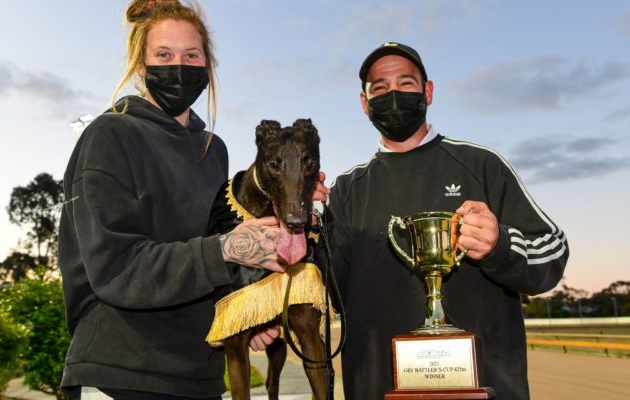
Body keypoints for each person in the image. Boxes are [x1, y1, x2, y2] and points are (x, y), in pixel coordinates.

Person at [58, 1, 288, 399]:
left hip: (199, 373)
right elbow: (116, 269)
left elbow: (212, 260)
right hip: (124, 372)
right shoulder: (110, 134)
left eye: (191, 55)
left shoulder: (213, 151)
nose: (178, 66)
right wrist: (227, 250)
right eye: (164, 55)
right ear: (141, 66)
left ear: (207, 66)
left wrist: (246, 312)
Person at [326, 42, 569, 399]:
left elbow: (552, 253)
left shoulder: (482, 165)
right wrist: (301, 227)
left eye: (406, 83)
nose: (393, 94)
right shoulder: (346, 191)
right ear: (364, 104)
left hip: (487, 388)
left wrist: (498, 246)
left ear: (428, 91)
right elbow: (325, 287)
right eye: (379, 88)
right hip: (379, 389)